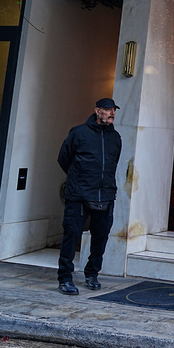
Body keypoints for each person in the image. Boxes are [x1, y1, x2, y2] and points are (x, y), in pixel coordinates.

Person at [57, 97, 123, 295]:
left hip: (106, 194)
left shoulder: (115, 137)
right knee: (71, 234)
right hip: (79, 194)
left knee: (101, 236)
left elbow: (114, 163)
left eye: (113, 110)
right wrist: (77, 180)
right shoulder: (79, 133)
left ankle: (92, 274)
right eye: (107, 109)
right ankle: (65, 278)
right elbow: (63, 158)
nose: (111, 113)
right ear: (97, 111)